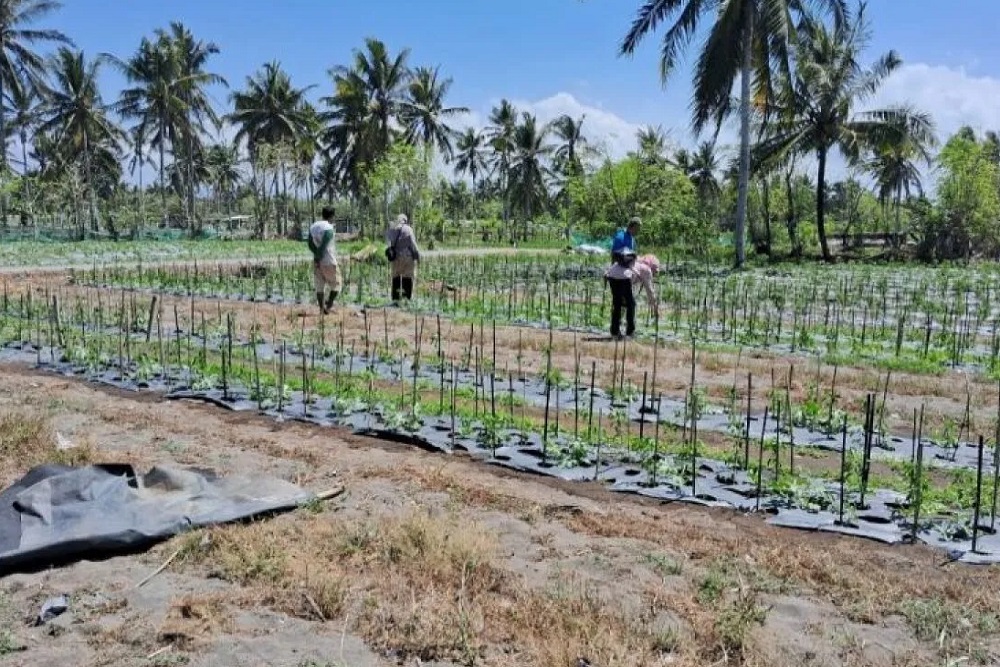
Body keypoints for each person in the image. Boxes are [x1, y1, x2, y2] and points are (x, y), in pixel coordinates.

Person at [605, 251, 660, 339]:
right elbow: (650, 291)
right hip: (624, 278)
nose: (655, 273)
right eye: (656, 270)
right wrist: (656, 309)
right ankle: (630, 333)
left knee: (617, 304)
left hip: (612, 276)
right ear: (652, 265)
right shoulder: (646, 270)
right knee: (631, 305)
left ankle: (614, 332)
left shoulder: (631, 263)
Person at [307, 206, 341, 314]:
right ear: (332, 216)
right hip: (328, 260)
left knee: (319, 285)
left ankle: (321, 309)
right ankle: (329, 305)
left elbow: (310, 243)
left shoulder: (314, 226)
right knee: (337, 284)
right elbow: (324, 244)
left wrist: (316, 256)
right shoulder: (329, 228)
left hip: (317, 261)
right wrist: (319, 255)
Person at [386, 213, 421, 302]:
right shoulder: (409, 229)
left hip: (396, 258)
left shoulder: (392, 228)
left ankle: (395, 300)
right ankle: (406, 300)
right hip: (407, 258)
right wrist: (418, 255)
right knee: (407, 278)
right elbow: (413, 244)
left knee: (396, 278)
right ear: (405, 221)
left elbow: (388, 243)